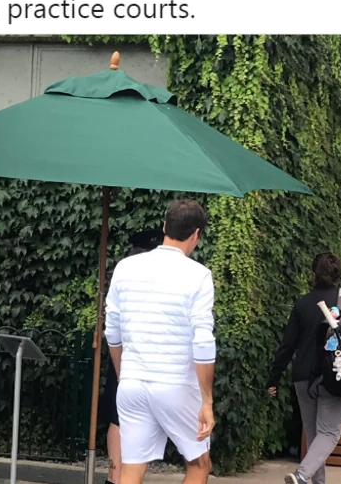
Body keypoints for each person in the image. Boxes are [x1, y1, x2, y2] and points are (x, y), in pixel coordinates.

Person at [104, 200, 215, 484]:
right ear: (196, 235)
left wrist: (122, 373)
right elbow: (202, 342)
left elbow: (112, 331)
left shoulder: (125, 267)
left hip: (132, 382)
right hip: (176, 384)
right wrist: (207, 401)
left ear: (164, 226)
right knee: (199, 463)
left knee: (131, 467)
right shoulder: (199, 276)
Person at [267, 252, 341, 484]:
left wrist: (274, 377)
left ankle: (314, 481)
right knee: (329, 433)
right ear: (337, 274)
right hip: (337, 373)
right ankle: (302, 475)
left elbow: (287, 345)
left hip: (304, 377)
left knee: (314, 435)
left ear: (313, 275)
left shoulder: (302, 303)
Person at [99, 227, 165, 484]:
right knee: (131, 419)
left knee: (121, 417)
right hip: (140, 357)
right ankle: (121, 476)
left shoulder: (125, 274)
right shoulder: (159, 279)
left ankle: (116, 477)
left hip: (126, 355)